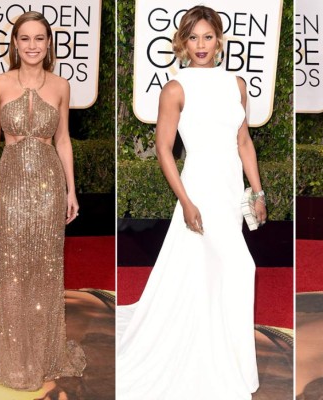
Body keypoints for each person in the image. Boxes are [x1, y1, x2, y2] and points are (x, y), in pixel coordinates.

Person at [116, 5, 266, 399]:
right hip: (200, 186)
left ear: (219, 40)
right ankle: (222, 361)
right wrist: (185, 201)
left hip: (231, 187)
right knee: (241, 267)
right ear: (183, 43)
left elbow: (243, 141)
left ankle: (222, 349)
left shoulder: (236, 84)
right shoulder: (175, 88)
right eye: (193, 37)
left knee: (216, 273)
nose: (201, 45)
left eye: (208, 36)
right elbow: (165, 150)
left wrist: (257, 190)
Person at [0, 11, 86, 390]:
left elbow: (63, 140)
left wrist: (71, 190)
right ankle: (16, 360)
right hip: (9, 183)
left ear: (48, 44)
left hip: (48, 185)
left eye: (39, 38)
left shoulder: (60, 85)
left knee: (45, 269)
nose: (32, 45)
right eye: (24, 38)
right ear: (14, 43)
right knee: (11, 268)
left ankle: (43, 355)